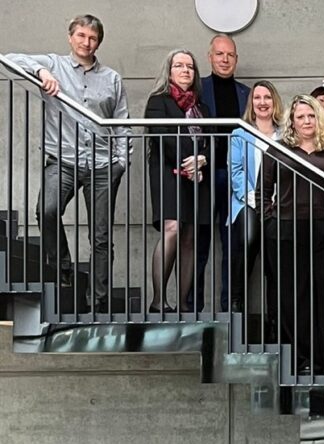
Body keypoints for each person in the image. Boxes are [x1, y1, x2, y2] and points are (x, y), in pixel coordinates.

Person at [6, 15, 129, 310]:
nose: (86, 43)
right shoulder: (53, 65)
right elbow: (9, 59)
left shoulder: (112, 78)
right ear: (70, 37)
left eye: (93, 38)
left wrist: (121, 160)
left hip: (102, 164)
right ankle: (62, 268)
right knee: (46, 210)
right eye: (81, 36)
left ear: (99, 41)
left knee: (100, 236)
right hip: (62, 160)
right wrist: (39, 71)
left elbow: (122, 123)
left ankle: (98, 302)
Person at [258, 95, 324, 373]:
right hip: (289, 232)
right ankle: (302, 360)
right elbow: (262, 192)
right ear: (292, 121)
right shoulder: (278, 150)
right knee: (293, 298)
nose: (306, 121)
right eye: (300, 117)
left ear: (319, 119)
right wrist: (270, 224)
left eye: (311, 116)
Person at [144, 49, 210, 313]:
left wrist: (202, 159)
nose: (185, 70)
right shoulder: (158, 100)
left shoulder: (202, 107)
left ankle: (183, 303)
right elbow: (161, 135)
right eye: (179, 66)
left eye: (190, 67)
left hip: (198, 175)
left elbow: (212, 141)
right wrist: (189, 161)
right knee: (172, 228)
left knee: (190, 237)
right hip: (167, 169)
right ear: (169, 71)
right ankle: (158, 300)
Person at [197, 34, 250, 312]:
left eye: (230, 54)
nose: (225, 59)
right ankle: (193, 307)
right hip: (207, 175)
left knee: (233, 245)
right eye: (219, 54)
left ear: (236, 59)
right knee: (199, 244)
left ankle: (230, 308)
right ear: (210, 57)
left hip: (236, 178)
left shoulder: (247, 93)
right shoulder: (198, 88)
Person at [227, 80, 283, 313]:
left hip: (280, 202)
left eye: (267, 97)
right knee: (248, 238)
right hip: (246, 200)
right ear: (251, 102)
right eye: (257, 97)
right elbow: (236, 170)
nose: (262, 102)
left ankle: (276, 314)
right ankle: (236, 300)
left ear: (274, 102)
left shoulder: (285, 135)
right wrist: (253, 197)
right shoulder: (240, 133)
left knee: (277, 251)